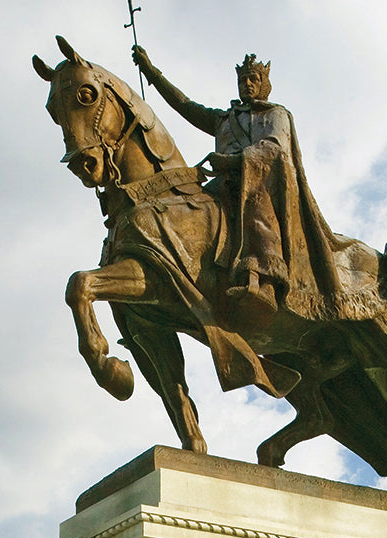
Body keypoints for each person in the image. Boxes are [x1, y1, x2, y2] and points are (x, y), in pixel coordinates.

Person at [132, 46, 371, 329]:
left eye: (253, 80)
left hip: (259, 184)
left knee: (256, 203)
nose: (247, 85)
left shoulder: (276, 114)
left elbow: (274, 149)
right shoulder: (223, 119)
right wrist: (151, 73)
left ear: (264, 85)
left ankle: (264, 281)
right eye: (243, 80)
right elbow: (185, 105)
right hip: (223, 186)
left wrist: (234, 161)